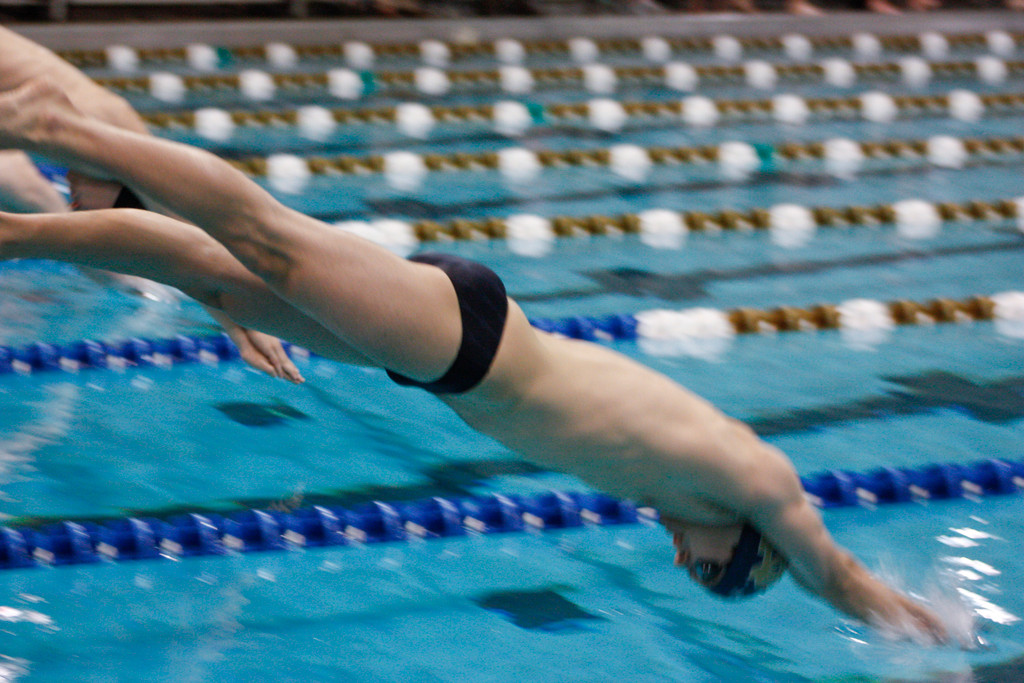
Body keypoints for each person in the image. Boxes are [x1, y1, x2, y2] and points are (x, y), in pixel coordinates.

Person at [0, 77, 949, 641]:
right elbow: (837, 573)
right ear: (748, 542)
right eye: (706, 568)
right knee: (265, 237)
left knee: (215, 275)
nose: (677, 555)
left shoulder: (680, 487)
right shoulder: (750, 476)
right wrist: (924, 626)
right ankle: (61, 126)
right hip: (470, 339)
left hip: (442, 360)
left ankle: (15, 233)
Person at [0, 25, 302, 384]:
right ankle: (156, 291)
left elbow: (196, 242)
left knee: (175, 243)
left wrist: (239, 324)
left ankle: (151, 293)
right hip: (82, 124)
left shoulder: (99, 129)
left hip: (94, 127)